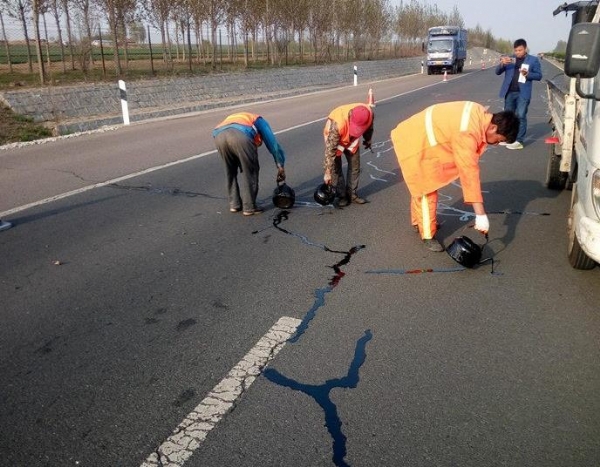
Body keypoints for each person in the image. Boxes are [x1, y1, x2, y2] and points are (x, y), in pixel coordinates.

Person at [390, 101, 519, 252]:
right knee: (427, 188)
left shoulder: (479, 114)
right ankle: (427, 235)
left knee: (421, 186)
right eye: (500, 140)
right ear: (493, 127)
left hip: (419, 135)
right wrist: (480, 214)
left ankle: (418, 221)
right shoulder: (468, 132)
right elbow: (469, 171)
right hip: (415, 142)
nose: (497, 144)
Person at [213, 112, 286, 216]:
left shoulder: (242, 117)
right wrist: (280, 165)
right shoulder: (260, 121)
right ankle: (249, 207)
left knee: (230, 171)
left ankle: (234, 204)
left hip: (218, 135)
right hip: (241, 135)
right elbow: (273, 144)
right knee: (250, 171)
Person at [323, 103, 374, 207]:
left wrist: (368, 139)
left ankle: (352, 195)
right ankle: (342, 196)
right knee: (336, 169)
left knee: (355, 167)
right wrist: (327, 172)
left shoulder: (369, 114)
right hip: (336, 139)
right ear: (350, 117)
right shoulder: (337, 124)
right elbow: (330, 151)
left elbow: (369, 127)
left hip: (352, 141)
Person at [495, 38, 542, 150]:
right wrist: (501, 64)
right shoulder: (510, 59)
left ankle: (519, 141)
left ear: (525, 49)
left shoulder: (533, 60)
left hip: (523, 93)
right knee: (508, 117)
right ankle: (509, 138)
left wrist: (527, 74)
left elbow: (539, 76)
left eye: (520, 50)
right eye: (516, 50)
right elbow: (497, 72)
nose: (517, 53)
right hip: (510, 92)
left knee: (520, 116)